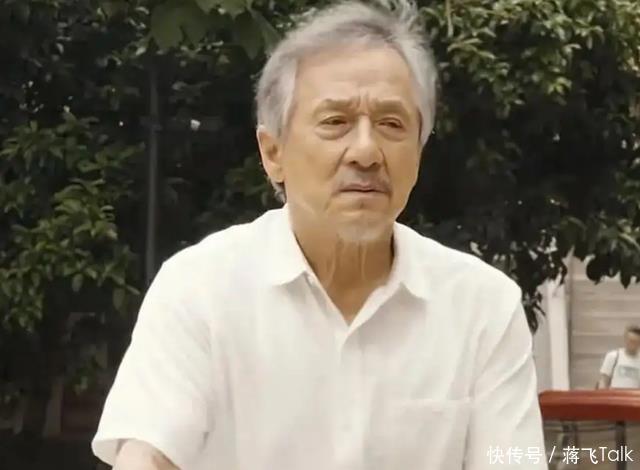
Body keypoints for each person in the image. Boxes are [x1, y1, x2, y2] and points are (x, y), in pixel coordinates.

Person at [92, 1, 547, 469]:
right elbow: (147, 455)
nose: (366, 152)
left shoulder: (483, 307)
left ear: (418, 150)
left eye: (391, 124)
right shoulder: (199, 288)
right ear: (273, 153)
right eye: (335, 122)